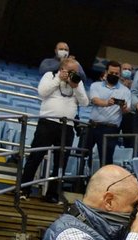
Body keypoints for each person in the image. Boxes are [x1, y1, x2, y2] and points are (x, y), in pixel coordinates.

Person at [22, 57, 88, 203]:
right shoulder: (50, 76)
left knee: (61, 163)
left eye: (75, 72)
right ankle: (24, 189)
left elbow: (85, 102)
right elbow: (42, 92)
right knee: (35, 157)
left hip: (67, 127)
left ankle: (53, 194)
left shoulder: (78, 82)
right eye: (71, 72)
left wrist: (75, 86)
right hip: (47, 123)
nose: (73, 74)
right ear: (62, 68)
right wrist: (59, 79)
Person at [84, 61, 131, 166]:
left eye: (116, 74)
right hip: (92, 126)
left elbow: (126, 110)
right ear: (106, 72)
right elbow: (95, 100)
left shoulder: (125, 91)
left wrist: (123, 107)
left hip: (110, 129)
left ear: (120, 74)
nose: (113, 75)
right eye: (111, 72)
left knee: (106, 160)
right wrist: (107, 103)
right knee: (82, 155)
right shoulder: (96, 85)